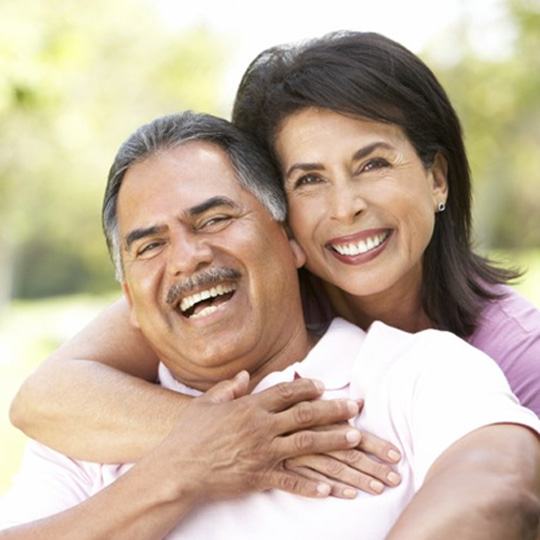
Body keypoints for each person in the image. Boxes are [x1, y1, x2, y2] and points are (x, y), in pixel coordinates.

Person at [9, 32, 540, 496]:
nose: (345, 206)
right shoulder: (248, 288)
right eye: (308, 179)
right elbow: (45, 398)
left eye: (373, 164)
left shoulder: (514, 353)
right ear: (275, 212)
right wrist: (244, 435)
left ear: (437, 178)